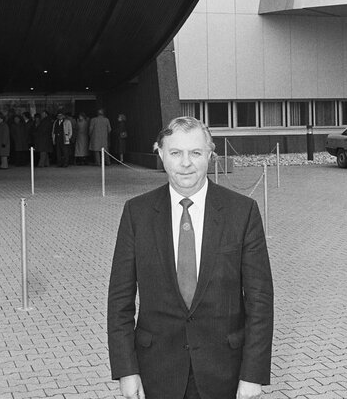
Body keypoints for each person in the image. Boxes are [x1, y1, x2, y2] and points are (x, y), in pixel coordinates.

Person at [107, 116, 274, 399]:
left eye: (195, 152)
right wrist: (126, 369)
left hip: (225, 373)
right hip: (155, 371)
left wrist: (253, 374)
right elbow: (119, 300)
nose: (186, 163)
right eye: (175, 153)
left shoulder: (242, 212)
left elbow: (260, 301)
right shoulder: (137, 213)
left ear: (210, 154)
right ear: (160, 153)